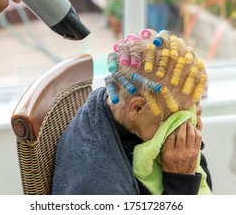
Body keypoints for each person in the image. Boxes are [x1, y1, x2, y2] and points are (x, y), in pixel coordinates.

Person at [52, 28, 213, 195]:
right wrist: (180, 184)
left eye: (193, 110)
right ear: (137, 108)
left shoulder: (115, 103)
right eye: (177, 117)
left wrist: (190, 157)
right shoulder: (98, 187)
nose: (189, 123)